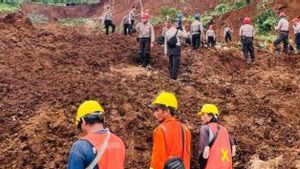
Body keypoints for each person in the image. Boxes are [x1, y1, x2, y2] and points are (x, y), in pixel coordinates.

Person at [67, 100, 125, 169]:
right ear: (102, 118)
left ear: (83, 121)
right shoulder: (119, 142)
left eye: (80, 126)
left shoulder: (80, 147)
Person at [148, 91, 191, 169]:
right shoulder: (185, 129)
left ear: (167, 111)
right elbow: (187, 157)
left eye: (157, 110)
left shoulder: (160, 130)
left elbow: (157, 160)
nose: (154, 114)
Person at [197, 104, 235, 169]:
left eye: (203, 114)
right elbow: (233, 151)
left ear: (211, 115)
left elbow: (203, 153)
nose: (201, 117)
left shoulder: (205, 128)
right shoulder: (224, 129)